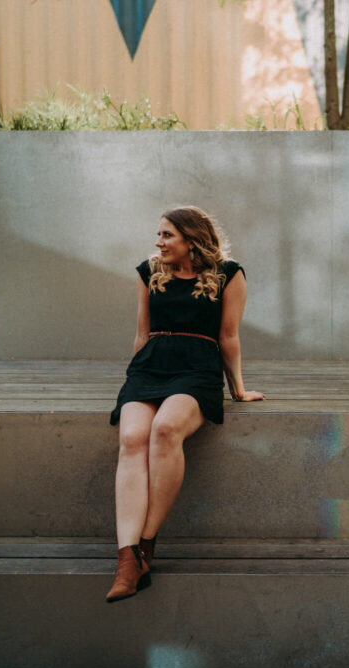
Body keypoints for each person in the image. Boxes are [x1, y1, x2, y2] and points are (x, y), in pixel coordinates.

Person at [106, 206, 264, 602]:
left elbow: (228, 337)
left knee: (165, 429)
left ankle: (145, 542)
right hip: (150, 366)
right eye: (158, 235)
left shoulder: (229, 273)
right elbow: (142, 333)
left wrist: (238, 390)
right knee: (132, 437)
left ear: (191, 239)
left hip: (197, 368)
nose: (158, 243)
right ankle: (126, 558)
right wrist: (132, 379)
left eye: (166, 236)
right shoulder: (149, 272)